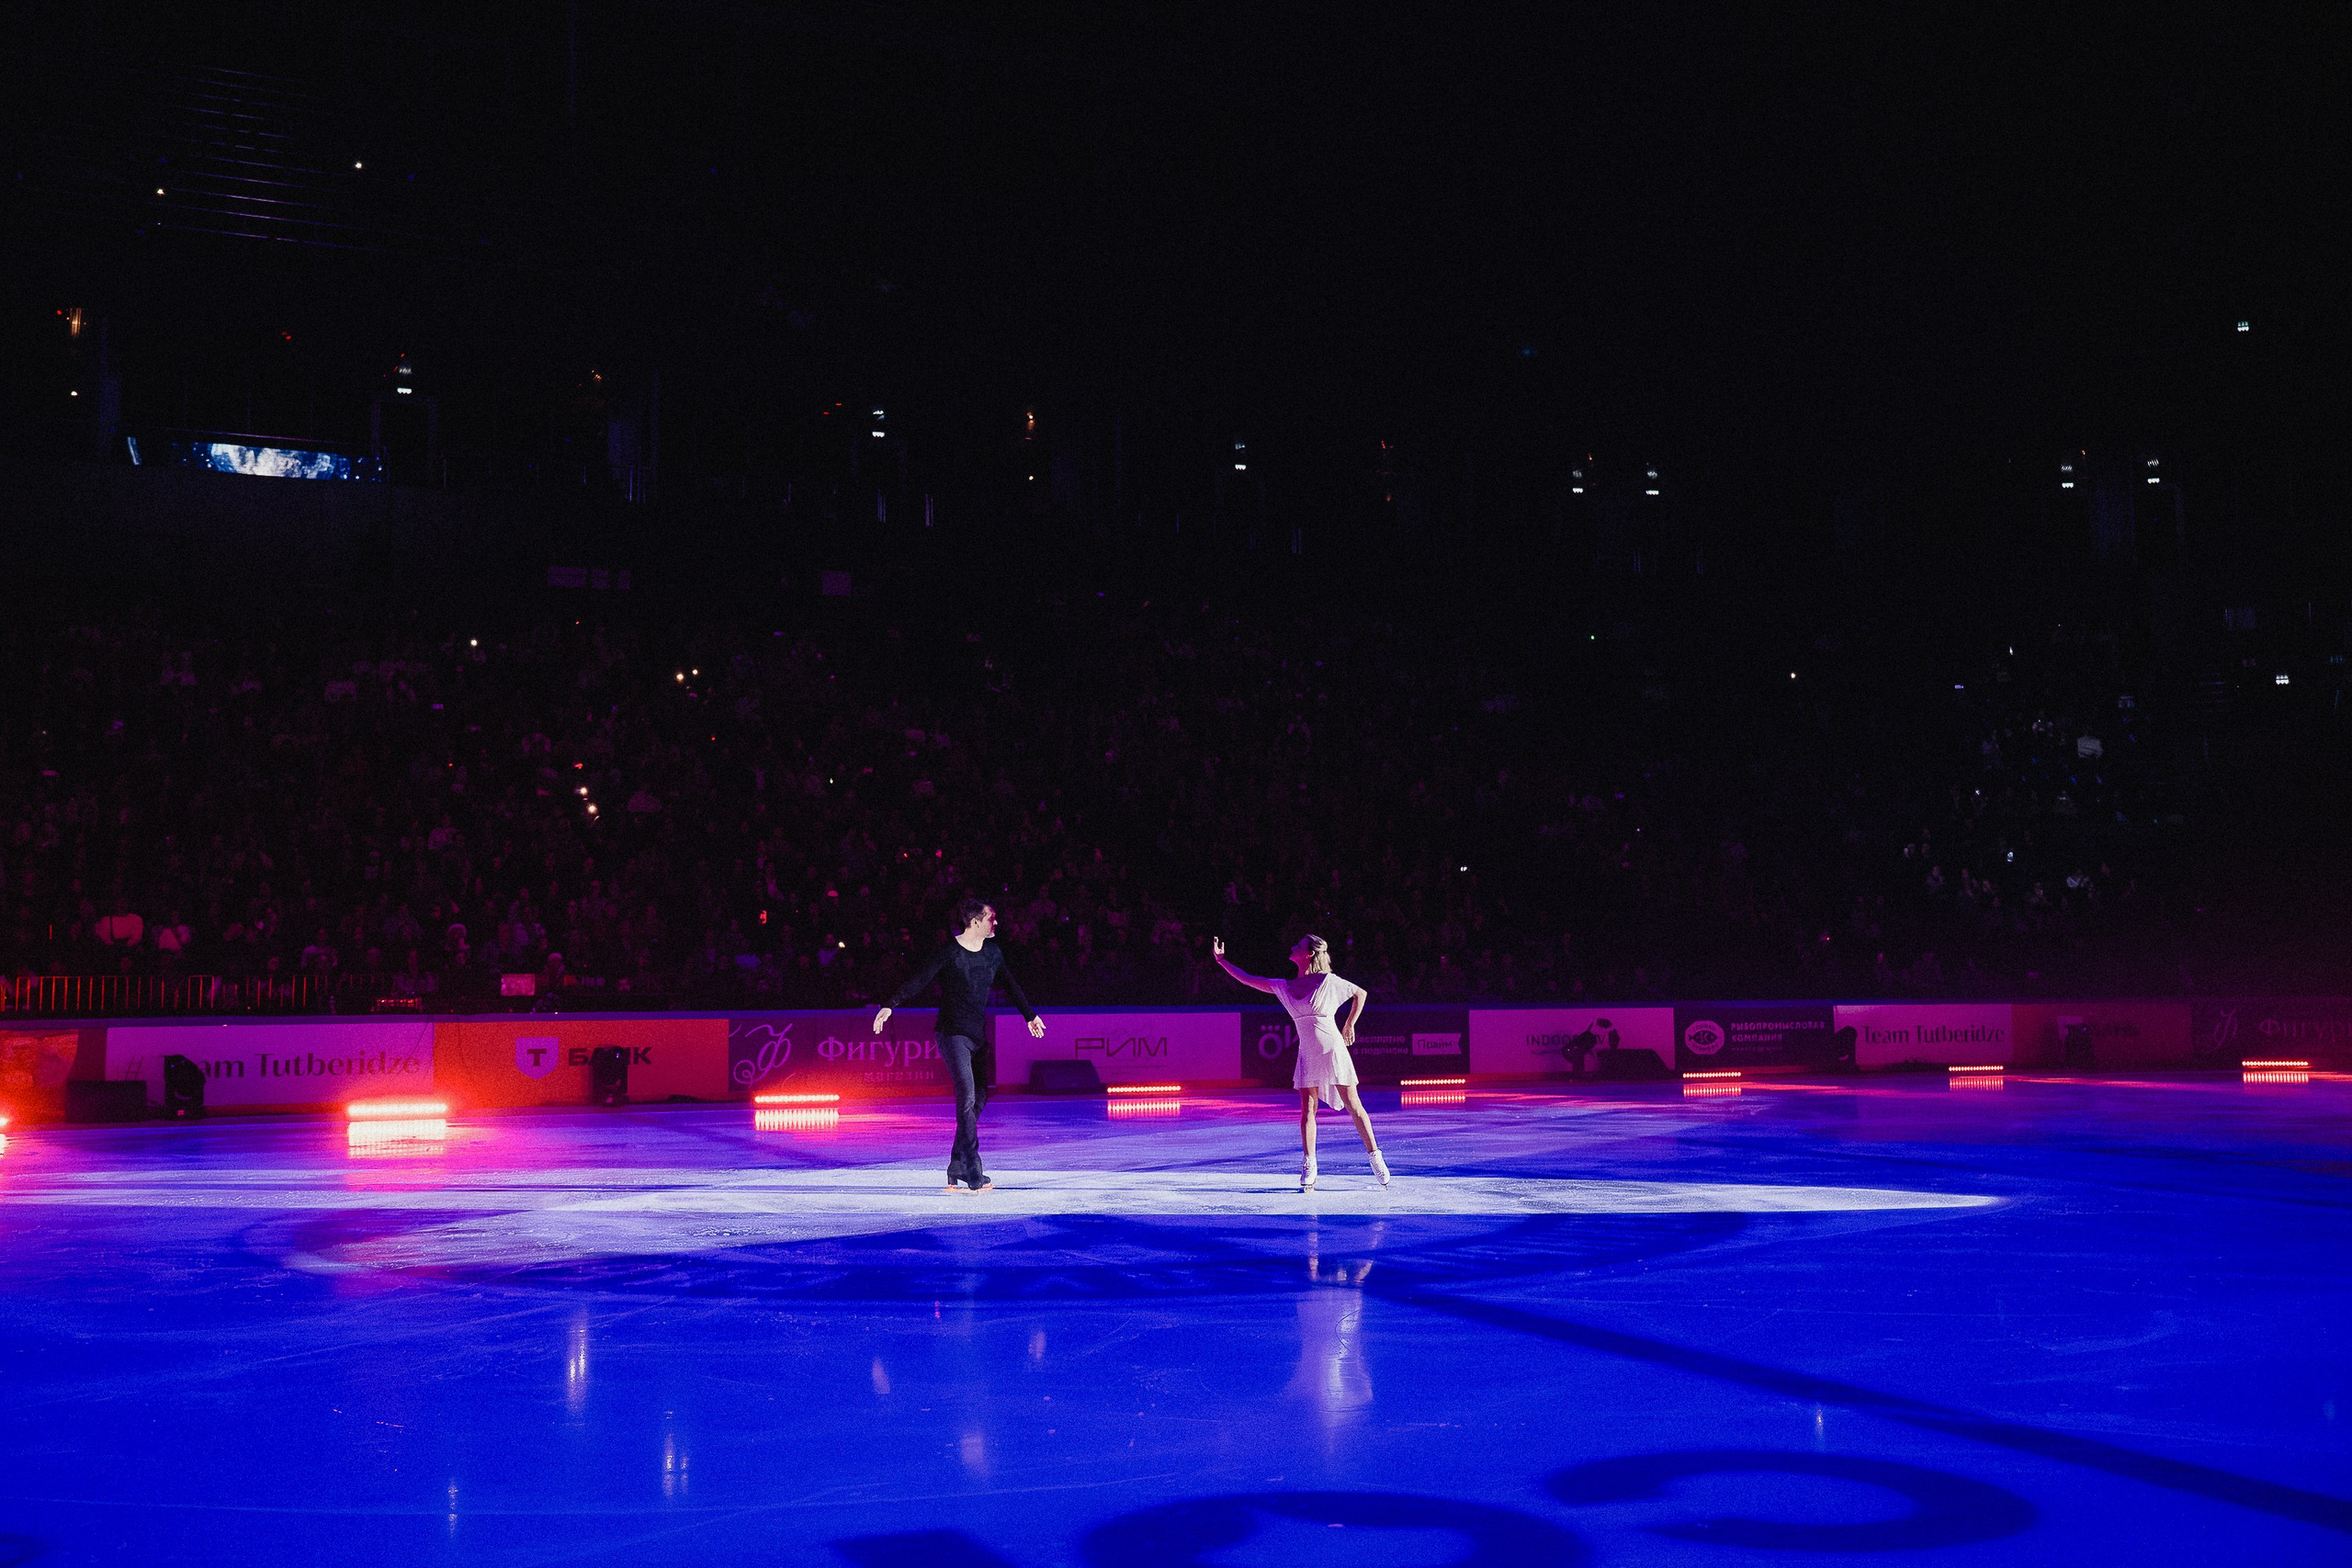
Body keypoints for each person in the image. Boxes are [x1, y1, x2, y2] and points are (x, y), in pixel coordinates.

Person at [876, 897, 1045, 1193]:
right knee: (966, 1097)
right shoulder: (949, 953)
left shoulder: (993, 953)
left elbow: (1010, 984)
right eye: (991, 919)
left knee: (979, 1099)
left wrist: (1029, 1015)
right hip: (952, 1035)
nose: (996, 924)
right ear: (975, 922)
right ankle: (973, 1171)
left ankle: (956, 1166)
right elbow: (920, 980)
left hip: (977, 1036)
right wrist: (890, 1004)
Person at [1213, 933, 1388, 1191]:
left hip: (1333, 1050)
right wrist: (1222, 961)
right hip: (1308, 1053)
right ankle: (1309, 1163)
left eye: (1298, 945)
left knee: (1353, 1105)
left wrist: (1349, 1025)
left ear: (1308, 954)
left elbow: (1359, 994)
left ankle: (1376, 1157)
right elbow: (1249, 980)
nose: (1292, 946)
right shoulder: (1284, 986)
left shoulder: (1329, 982)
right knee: (1308, 1108)